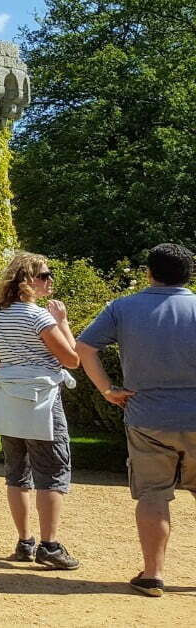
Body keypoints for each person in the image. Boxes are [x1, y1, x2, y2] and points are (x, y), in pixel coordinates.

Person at [77, 242, 196, 598]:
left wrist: (108, 390)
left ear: (149, 272)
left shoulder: (123, 308)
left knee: (153, 495)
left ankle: (153, 574)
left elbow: (84, 348)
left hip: (148, 417)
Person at [0, 252, 81, 570]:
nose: (50, 280)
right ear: (28, 281)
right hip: (42, 401)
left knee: (16, 470)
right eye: (45, 275)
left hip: (9, 399)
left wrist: (8, 382)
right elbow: (72, 359)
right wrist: (62, 322)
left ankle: (25, 542)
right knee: (52, 470)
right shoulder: (40, 318)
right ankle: (49, 546)